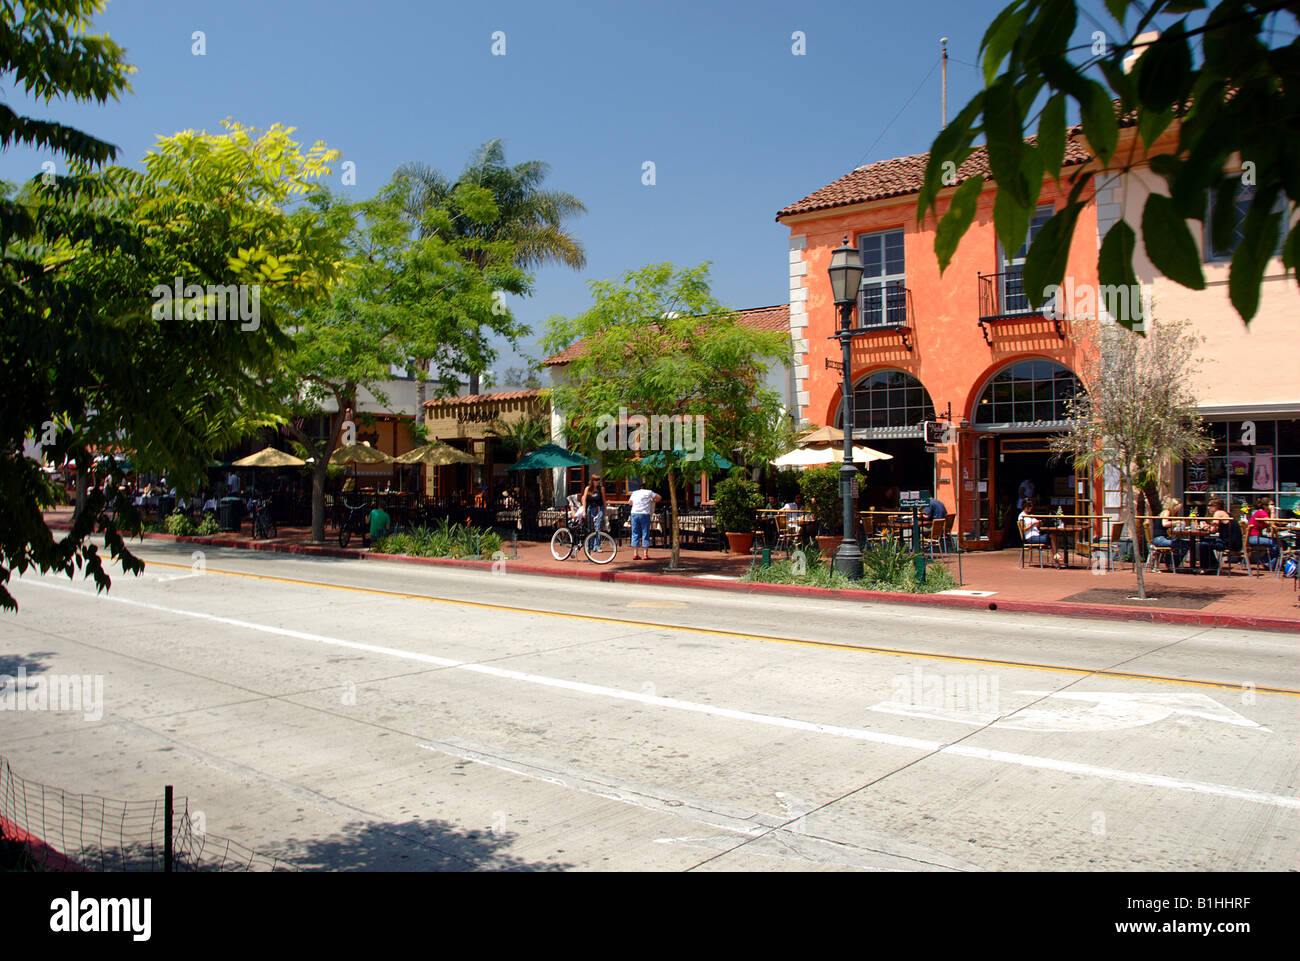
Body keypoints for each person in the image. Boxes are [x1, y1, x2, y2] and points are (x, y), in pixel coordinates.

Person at [1151, 497, 1189, 572]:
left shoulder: (1172, 514)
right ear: (1173, 506)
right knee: (1180, 545)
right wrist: (1177, 522)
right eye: (1178, 508)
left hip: (1165, 537)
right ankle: (1171, 564)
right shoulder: (1166, 512)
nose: (1178, 510)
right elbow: (1164, 524)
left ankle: (1172, 564)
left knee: (1185, 544)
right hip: (1159, 539)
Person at [628, 485, 662, 560]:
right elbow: (659, 497)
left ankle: (635, 553)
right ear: (646, 488)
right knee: (645, 533)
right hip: (644, 513)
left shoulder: (634, 492)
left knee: (635, 533)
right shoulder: (649, 492)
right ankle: (645, 554)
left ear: (640, 488)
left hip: (634, 513)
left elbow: (630, 503)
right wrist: (653, 500)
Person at [1018, 497, 1057, 564]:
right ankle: (1056, 558)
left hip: (1037, 535)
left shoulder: (1031, 515)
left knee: (1052, 535)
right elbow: (1023, 529)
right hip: (1030, 537)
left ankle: (1056, 558)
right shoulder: (1022, 516)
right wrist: (1033, 524)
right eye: (1029, 506)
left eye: (1031, 506)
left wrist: (1039, 523)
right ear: (1025, 506)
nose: (1030, 508)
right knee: (1051, 537)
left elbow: (1037, 525)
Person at [1247, 495, 1280, 568]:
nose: (1273, 506)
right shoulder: (1261, 512)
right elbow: (1271, 523)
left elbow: (1271, 525)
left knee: (1281, 543)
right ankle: (1266, 561)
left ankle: (1268, 562)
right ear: (1265, 506)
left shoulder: (1264, 513)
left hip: (1257, 537)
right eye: (1271, 505)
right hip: (1253, 538)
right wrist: (1273, 511)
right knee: (1278, 544)